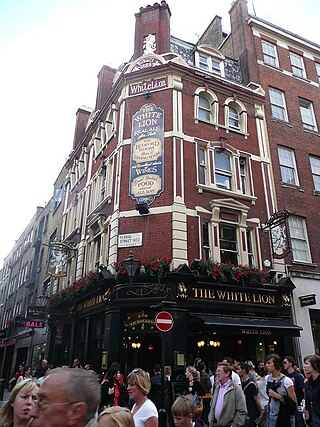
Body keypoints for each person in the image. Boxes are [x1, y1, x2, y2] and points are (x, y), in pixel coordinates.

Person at [208, 362, 247, 427]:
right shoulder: (217, 388)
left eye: (219, 371)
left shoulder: (236, 389)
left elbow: (242, 411)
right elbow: (212, 406)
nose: (217, 373)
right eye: (216, 371)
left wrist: (234, 426)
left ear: (227, 373)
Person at [265, 353, 297, 427]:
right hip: (272, 416)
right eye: (266, 363)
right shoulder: (267, 378)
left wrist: (279, 396)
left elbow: (294, 403)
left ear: (276, 364)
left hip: (285, 416)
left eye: (269, 363)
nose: (266, 365)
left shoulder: (286, 381)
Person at [237, 362, 262, 427]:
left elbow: (257, 400)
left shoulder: (251, 385)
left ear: (244, 370)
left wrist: (261, 413)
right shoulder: (242, 384)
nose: (237, 371)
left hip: (252, 413)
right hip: (245, 412)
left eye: (239, 369)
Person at [283, 356, 305, 427]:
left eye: (285, 362)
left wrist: (304, 404)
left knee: (299, 423)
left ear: (290, 363)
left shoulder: (298, 376)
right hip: (289, 405)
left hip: (298, 404)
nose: (283, 364)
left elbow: (304, 390)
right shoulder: (285, 377)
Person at [304, 354, 320, 426]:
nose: (304, 366)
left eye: (307, 363)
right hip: (312, 417)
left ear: (315, 365)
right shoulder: (307, 382)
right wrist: (307, 410)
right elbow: (307, 398)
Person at [197, 361, 212, 425]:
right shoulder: (206, 376)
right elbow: (209, 386)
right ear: (204, 367)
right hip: (207, 396)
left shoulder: (198, 375)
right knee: (206, 411)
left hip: (200, 396)